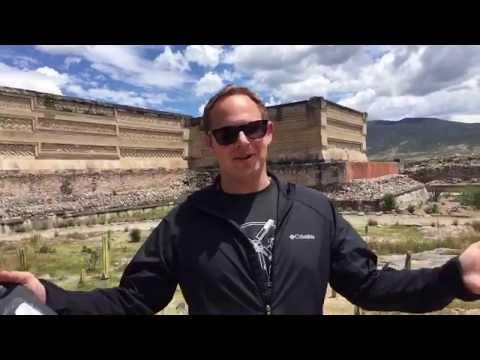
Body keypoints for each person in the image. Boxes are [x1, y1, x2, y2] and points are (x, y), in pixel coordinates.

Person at [1, 84, 480, 315]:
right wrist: (53, 296)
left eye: (253, 128)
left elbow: (371, 286)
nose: (243, 142)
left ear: (269, 132)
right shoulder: (185, 223)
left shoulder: (316, 209)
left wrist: (452, 277)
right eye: (228, 133)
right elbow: (133, 301)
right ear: (209, 143)